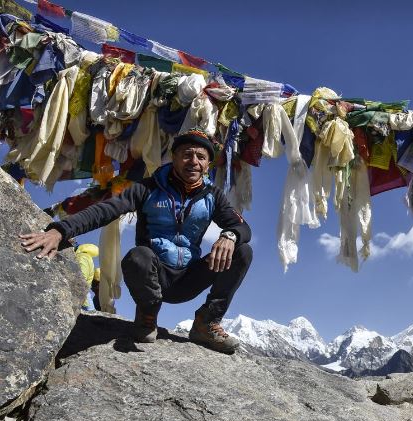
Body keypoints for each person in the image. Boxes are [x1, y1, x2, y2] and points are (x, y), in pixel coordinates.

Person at [19, 128, 252, 354]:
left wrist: (230, 235)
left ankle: (206, 322)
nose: (193, 161)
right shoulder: (147, 187)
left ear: (208, 164)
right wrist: (60, 230)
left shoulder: (213, 196)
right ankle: (147, 317)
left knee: (242, 250)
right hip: (154, 277)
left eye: (201, 157)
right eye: (186, 154)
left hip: (188, 278)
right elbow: (106, 210)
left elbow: (241, 226)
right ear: (174, 157)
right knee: (138, 256)